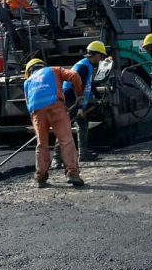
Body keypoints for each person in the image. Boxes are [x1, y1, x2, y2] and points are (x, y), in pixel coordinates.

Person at [23, 58, 85, 188]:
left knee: (42, 144)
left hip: (37, 111)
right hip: (56, 105)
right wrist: (79, 95)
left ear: (29, 71)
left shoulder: (27, 82)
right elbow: (74, 75)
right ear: (42, 66)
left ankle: (41, 177)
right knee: (66, 140)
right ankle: (72, 174)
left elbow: (28, 103)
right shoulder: (54, 70)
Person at [51, 41, 107, 169]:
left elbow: (89, 84)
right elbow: (77, 87)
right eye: (101, 56)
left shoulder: (87, 65)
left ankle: (83, 153)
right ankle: (56, 159)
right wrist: (80, 107)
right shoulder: (83, 67)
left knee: (82, 124)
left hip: (77, 100)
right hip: (72, 99)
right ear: (96, 54)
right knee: (65, 128)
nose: (101, 59)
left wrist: (98, 98)